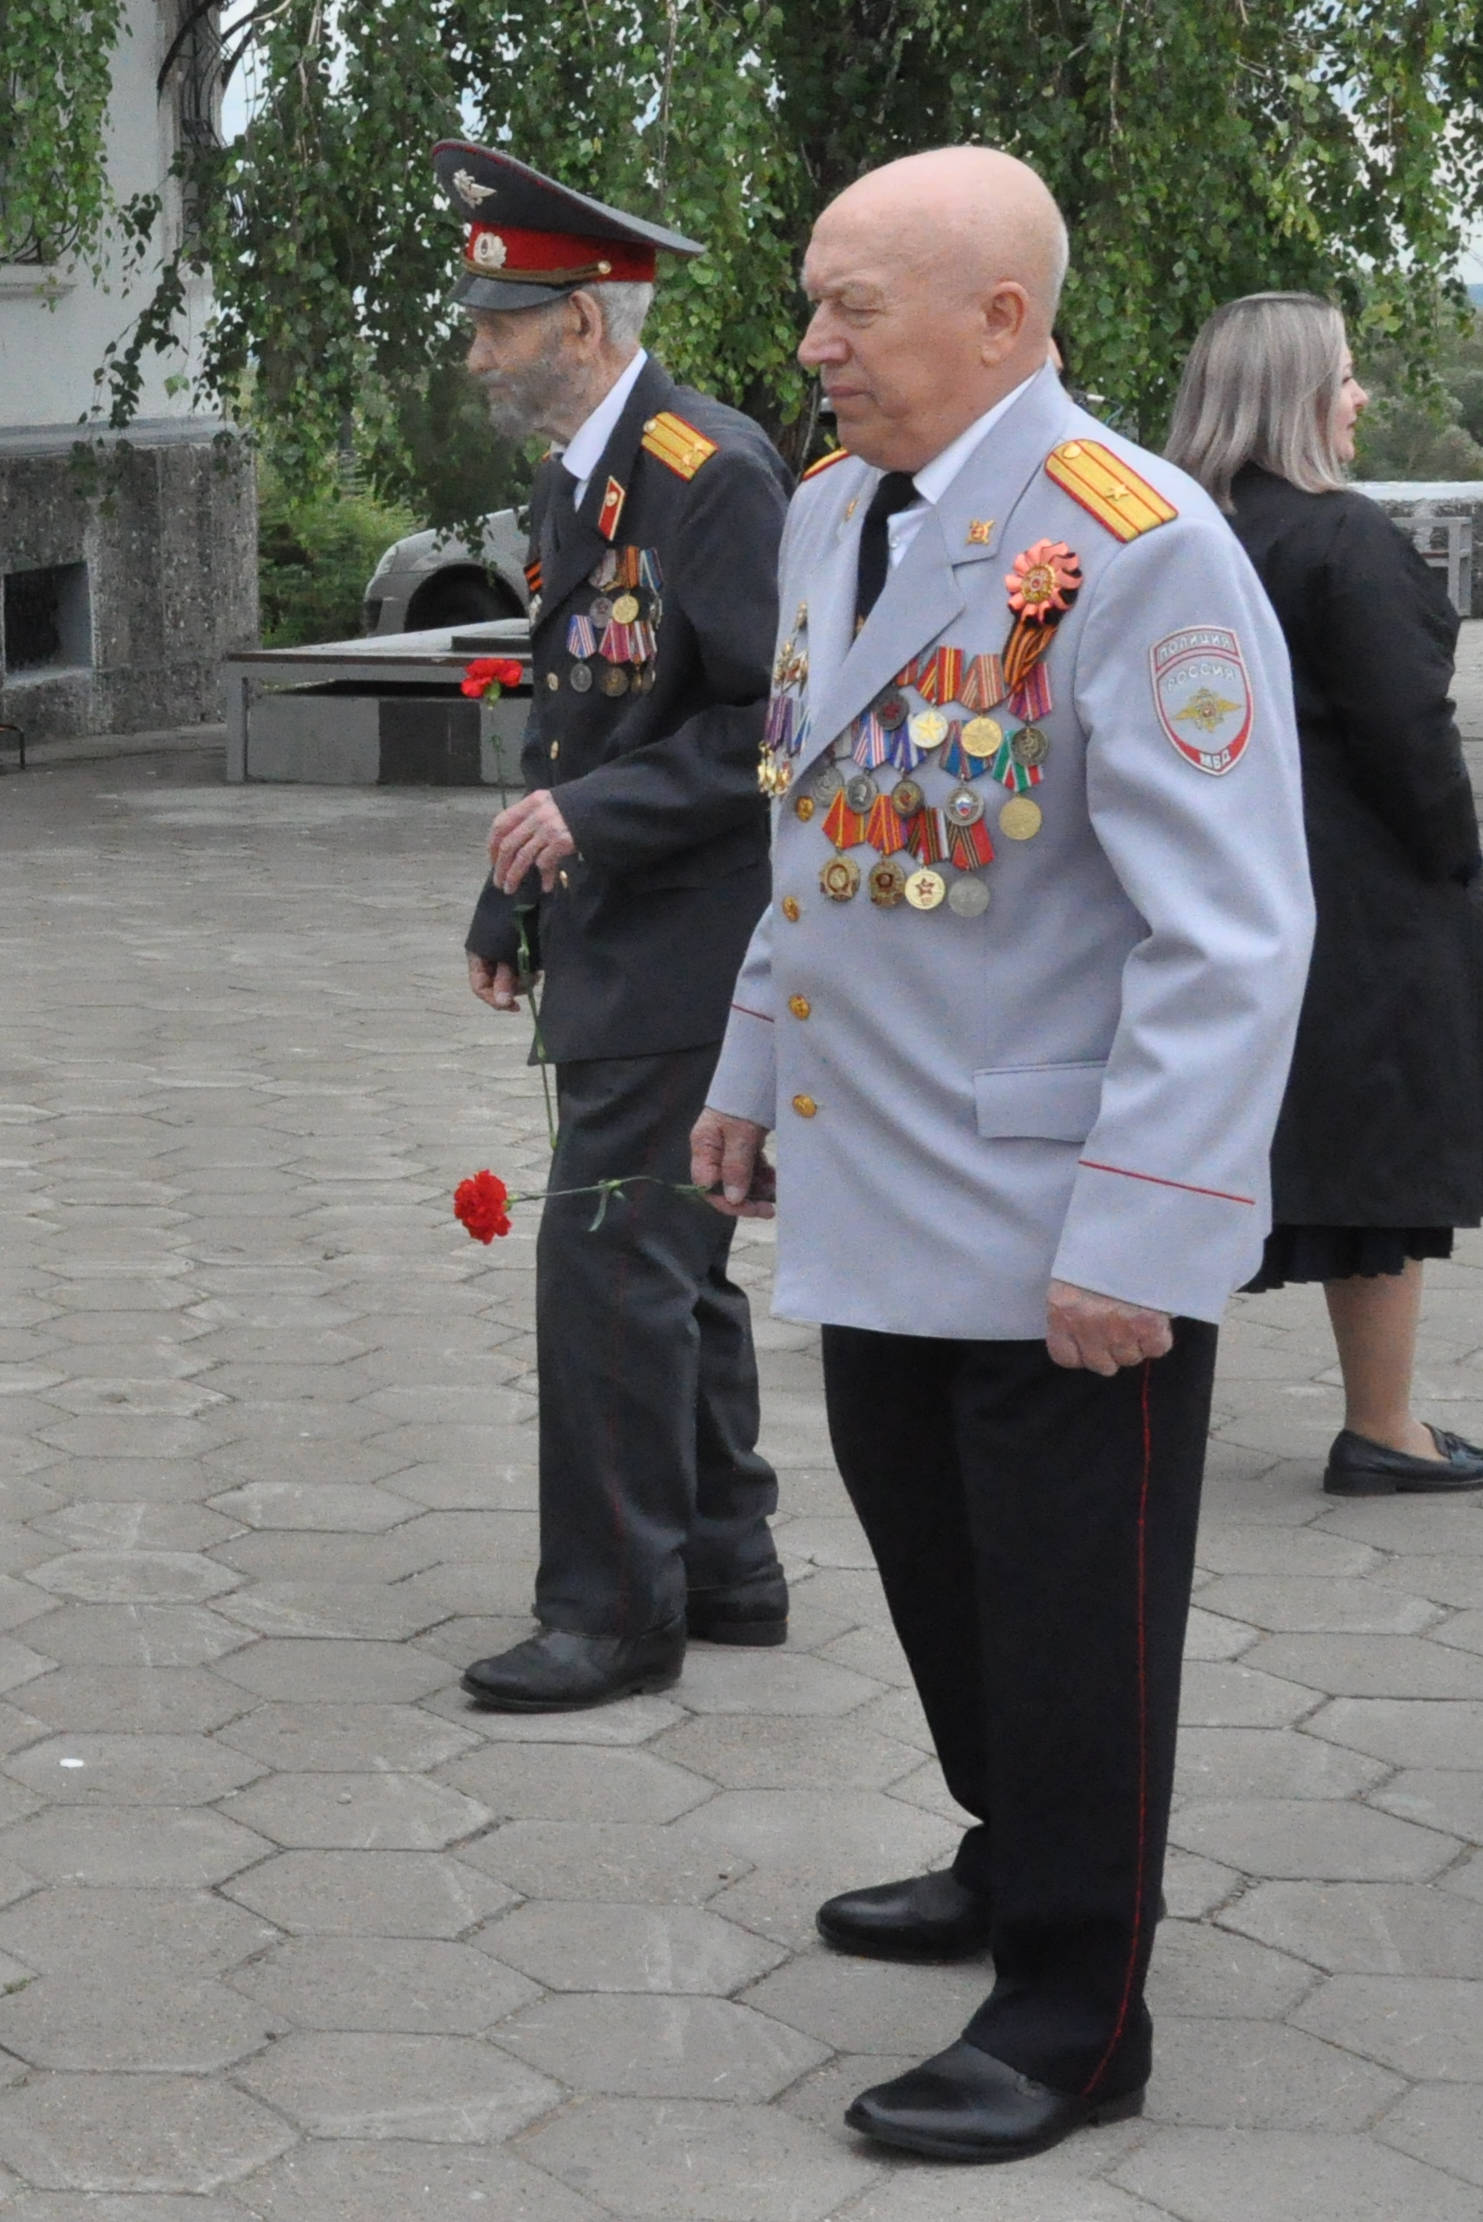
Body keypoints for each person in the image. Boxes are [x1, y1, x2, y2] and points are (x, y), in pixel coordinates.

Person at [691, 148, 1310, 2165]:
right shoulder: (822, 514)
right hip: (875, 1171)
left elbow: (1225, 929)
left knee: (1068, 1613)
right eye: (810, 301)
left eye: (848, 308)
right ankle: (1005, 1839)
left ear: (999, 321)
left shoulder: (1135, 546)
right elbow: (813, 826)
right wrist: (744, 1065)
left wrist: (1143, 1235)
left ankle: (1073, 1999)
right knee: (937, 1569)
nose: (810, 347)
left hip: (1060, 1211)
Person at [439, 144, 791, 1713]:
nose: (476, 353)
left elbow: (776, 730)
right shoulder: (581, 474)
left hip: (693, 937)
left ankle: (609, 1612)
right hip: (615, 925)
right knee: (669, 1263)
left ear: (583, 321)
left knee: (610, 1270)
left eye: (499, 325)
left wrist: (594, 829)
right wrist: (514, 890)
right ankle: (724, 1563)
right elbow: (576, 711)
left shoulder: (709, 473)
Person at [1166, 295, 1483, 1494]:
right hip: (1357, 903)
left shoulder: (1164, 531)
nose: (1358, 400)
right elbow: (1411, 735)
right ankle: (1383, 1425)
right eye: (1346, 378)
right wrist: (1454, 866)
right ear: (1291, 396)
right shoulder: (1343, 538)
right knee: (1381, 1157)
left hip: (1200, 892)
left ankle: (1120, 1406)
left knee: (1188, 1151)